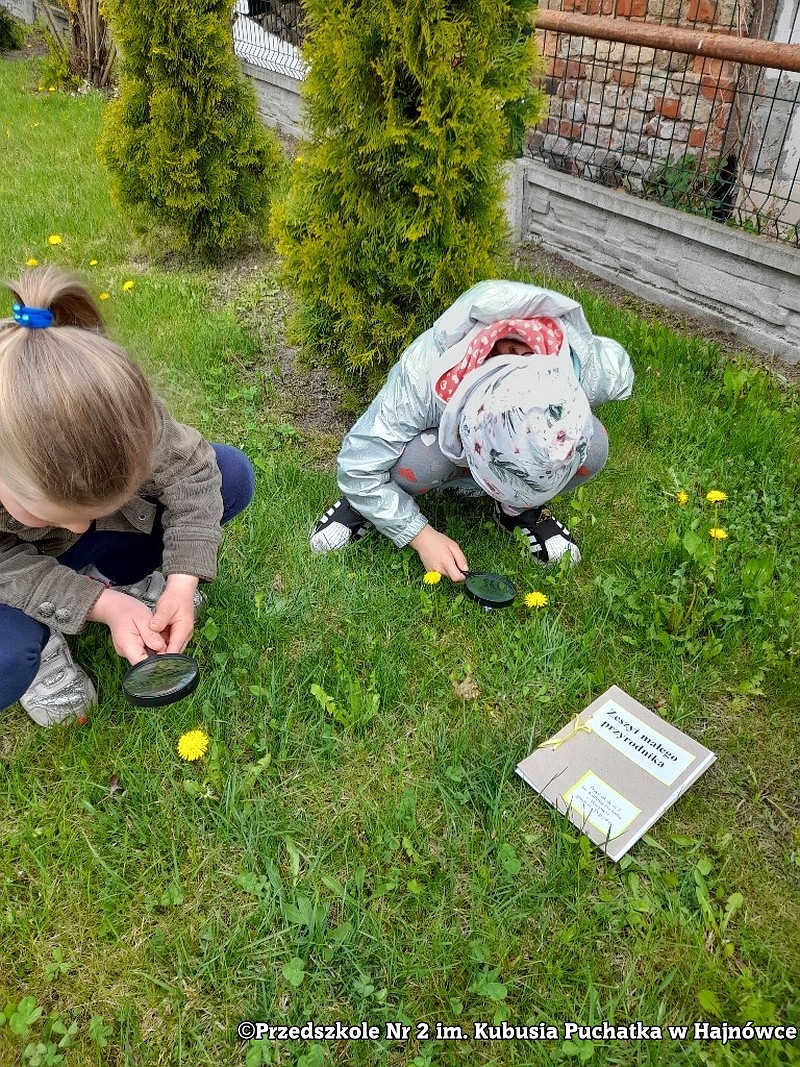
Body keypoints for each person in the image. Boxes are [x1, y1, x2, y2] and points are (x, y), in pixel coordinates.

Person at [0, 266, 255, 726]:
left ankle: (119, 576)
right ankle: (39, 644)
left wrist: (182, 579)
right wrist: (99, 606)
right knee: (4, 663)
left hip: (66, 551)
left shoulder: (116, 410)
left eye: (92, 512)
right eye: (49, 513)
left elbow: (194, 473)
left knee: (230, 474)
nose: (78, 528)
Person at [310, 279, 633, 578]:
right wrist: (422, 537)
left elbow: (621, 369)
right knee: (421, 463)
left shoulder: (586, 366)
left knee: (595, 447)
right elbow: (357, 466)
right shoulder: (424, 374)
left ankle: (517, 509)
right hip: (435, 449)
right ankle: (361, 505)